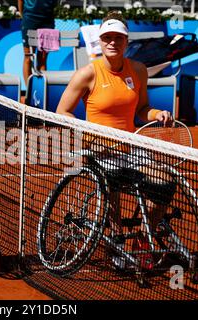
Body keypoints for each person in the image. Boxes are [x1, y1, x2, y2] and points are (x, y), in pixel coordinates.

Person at [56, 12, 173, 270]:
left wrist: (157, 114)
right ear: (100, 40)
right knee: (113, 187)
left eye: (118, 37)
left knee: (165, 183)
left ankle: (144, 240)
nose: (112, 42)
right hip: (98, 151)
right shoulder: (87, 73)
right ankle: (115, 242)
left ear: (126, 40)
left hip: (129, 148)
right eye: (107, 37)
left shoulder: (139, 70)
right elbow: (61, 111)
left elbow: (142, 109)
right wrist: (90, 137)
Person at [18, 0, 58, 88]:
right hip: (29, 20)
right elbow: (20, 1)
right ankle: (29, 91)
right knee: (28, 57)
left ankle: (40, 91)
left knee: (42, 60)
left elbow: (55, 3)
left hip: (47, 21)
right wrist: (23, 16)